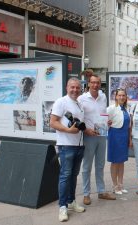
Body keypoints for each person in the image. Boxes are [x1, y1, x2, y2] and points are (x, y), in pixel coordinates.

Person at [50, 78, 86, 222]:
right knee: (65, 176)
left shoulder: (79, 103)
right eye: (72, 87)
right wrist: (68, 130)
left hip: (79, 145)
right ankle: (62, 207)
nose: (75, 90)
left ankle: (71, 201)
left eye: (77, 87)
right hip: (66, 145)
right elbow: (52, 122)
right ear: (67, 87)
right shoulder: (61, 101)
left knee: (73, 176)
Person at [78, 75, 116, 205]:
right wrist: (85, 130)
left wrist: (107, 121)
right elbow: (78, 117)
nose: (95, 85)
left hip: (101, 135)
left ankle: (101, 191)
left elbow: (102, 113)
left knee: (100, 165)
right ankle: (86, 194)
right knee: (87, 166)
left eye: (97, 83)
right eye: (93, 82)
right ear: (88, 84)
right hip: (89, 136)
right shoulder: (81, 98)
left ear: (100, 84)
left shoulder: (103, 97)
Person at [107, 89, 131, 195]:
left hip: (124, 136)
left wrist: (129, 138)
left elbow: (129, 125)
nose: (121, 97)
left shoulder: (127, 108)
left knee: (121, 162)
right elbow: (103, 121)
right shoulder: (111, 108)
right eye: (119, 95)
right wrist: (107, 123)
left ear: (126, 97)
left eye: (123, 95)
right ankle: (115, 186)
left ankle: (121, 184)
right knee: (115, 162)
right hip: (115, 136)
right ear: (116, 96)